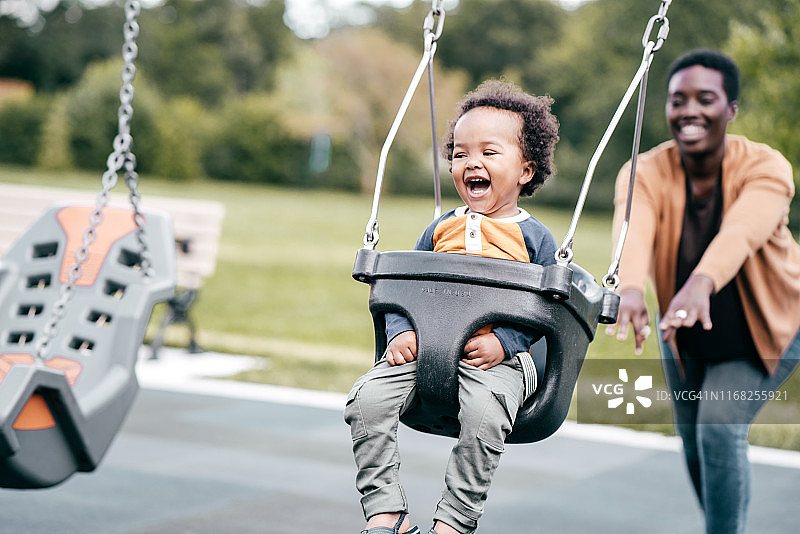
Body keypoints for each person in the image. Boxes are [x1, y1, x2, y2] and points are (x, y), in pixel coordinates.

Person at [344, 79, 559, 534]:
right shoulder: (441, 228)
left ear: (525, 169)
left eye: (489, 152)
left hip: (496, 361)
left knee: (484, 415)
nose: (471, 162)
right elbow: (405, 285)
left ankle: (455, 521)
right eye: (460, 154)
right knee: (366, 400)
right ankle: (387, 514)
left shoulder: (535, 237)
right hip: (426, 345)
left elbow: (547, 310)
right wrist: (401, 331)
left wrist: (505, 342)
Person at [606, 48, 800, 534]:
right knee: (694, 440)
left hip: (766, 328)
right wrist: (630, 288)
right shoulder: (643, 170)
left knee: (717, 427)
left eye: (705, 98)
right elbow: (634, 225)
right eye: (677, 100)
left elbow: (741, 232)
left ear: (731, 109)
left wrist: (701, 282)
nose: (689, 110)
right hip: (685, 331)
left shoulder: (767, 168)